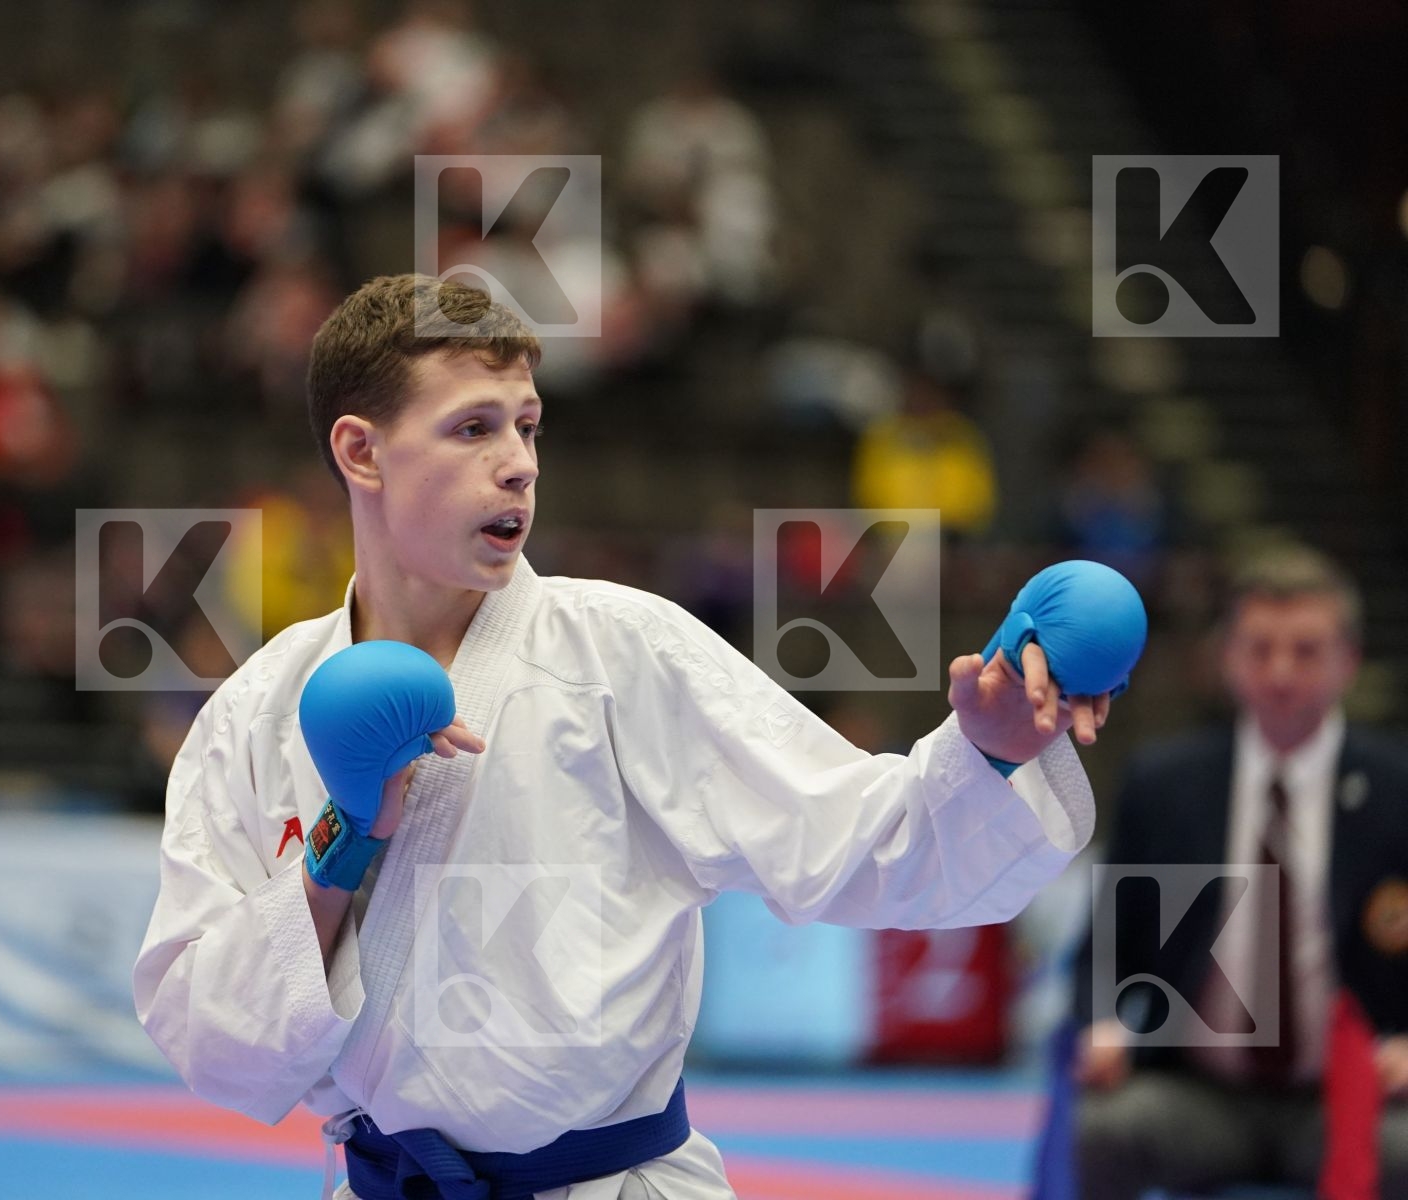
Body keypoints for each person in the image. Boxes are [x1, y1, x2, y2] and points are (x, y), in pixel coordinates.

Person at [133, 274, 1116, 1199]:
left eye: (527, 426)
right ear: (361, 452)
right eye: (473, 428)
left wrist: (991, 750)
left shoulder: (621, 653)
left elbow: (860, 841)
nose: (519, 463)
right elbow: (210, 1038)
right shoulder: (255, 714)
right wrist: (341, 844)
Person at [1071, 545, 1408, 1198]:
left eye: (1305, 651)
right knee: (1108, 1129)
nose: (1280, 672)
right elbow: (1103, 955)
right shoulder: (1166, 786)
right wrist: (1102, 1026)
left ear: (1349, 661)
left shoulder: (1397, 791)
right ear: (1227, 657)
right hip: (1200, 1096)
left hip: (1348, 1099)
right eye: (1259, 649)